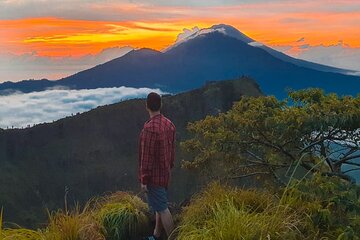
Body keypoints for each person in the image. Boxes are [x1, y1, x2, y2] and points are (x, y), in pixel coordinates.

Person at [139, 92, 176, 240]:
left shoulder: (149, 129)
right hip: (165, 172)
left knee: (162, 208)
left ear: (147, 106)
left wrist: (144, 180)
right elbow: (172, 150)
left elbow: (146, 158)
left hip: (154, 176)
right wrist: (169, 167)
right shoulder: (169, 124)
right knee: (159, 205)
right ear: (161, 105)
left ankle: (173, 237)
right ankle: (156, 235)